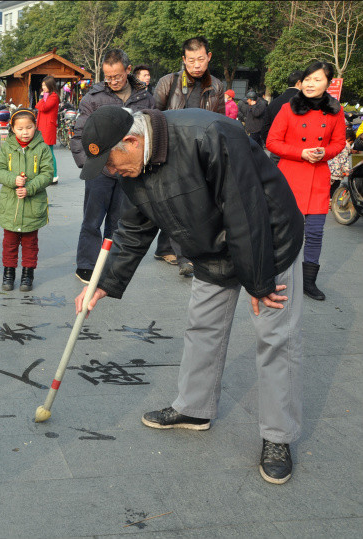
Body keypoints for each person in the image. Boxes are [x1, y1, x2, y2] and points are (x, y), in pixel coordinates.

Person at [75, 105, 305, 485]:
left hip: (268, 242)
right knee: (203, 327)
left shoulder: (209, 133)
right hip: (209, 248)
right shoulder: (136, 163)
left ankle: (278, 437)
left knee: (275, 338)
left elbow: (245, 213)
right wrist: (105, 281)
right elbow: (135, 225)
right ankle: (194, 408)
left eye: (113, 165)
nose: (113, 174)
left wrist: (259, 281)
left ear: (131, 141)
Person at [69, 48, 155, 284]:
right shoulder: (93, 98)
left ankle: (109, 264)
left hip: (130, 171)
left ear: (128, 70)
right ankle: (86, 264)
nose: (113, 81)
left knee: (119, 220)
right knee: (92, 219)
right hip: (101, 170)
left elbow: (151, 132)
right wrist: (88, 165)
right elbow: (78, 136)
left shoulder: (146, 98)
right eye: (108, 76)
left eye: (117, 75)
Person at [266, 61, 346, 301]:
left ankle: (308, 281)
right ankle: (273, 277)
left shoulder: (335, 110)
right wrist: (300, 153)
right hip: (290, 176)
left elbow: (339, 142)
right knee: (283, 231)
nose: (311, 84)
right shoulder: (289, 108)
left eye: (317, 80)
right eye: (307, 79)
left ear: (328, 84)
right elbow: (272, 142)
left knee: (314, 234)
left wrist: (325, 152)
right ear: (301, 82)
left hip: (318, 179)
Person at [152, 36, 225, 277]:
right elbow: (153, 116)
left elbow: (222, 122)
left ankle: (165, 247)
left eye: (201, 59)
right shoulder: (168, 82)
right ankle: (184, 256)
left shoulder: (217, 86)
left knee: (186, 202)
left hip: (201, 152)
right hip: (172, 152)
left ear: (209, 57)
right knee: (180, 202)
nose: (196, 64)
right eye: (191, 60)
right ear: (184, 60)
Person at [0, 108, 53, 292]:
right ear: (12, 128)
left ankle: (28, 274)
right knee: (9, 243)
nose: (25, 132)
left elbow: (48, 173)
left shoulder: (42, 148)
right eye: (20, 128)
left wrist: (30, 188)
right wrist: (13, 180)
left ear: (35, 126)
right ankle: (9, 273)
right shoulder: (7, 147)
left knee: (30, 244)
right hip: (10, 206)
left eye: (29, 127)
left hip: (33, 207)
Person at [261, 70, 303, 148]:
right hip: (297, 150)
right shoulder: (304, 101)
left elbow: (265, 127)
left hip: (276, 149)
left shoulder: (274, 102)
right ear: (299, 83)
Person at [34, 76, 60, 183]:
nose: (43, 88)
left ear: (50, 85)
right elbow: (39, 107)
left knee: (49, 152)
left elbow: (43, 107)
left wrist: (41, 98)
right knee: (44, 151)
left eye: (45, 85)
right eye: (42, 85)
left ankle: (54, 175)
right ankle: (47, 174)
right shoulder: (47, 96)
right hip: (43, 127)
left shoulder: (53, 97)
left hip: (48, 127)